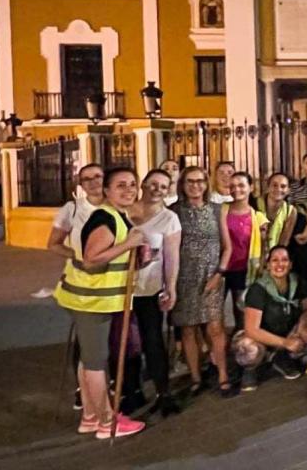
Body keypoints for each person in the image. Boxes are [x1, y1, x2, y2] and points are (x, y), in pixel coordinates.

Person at [54, 167, 146, 439]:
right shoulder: (106, 219)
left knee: (88, 359)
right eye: (121, 185)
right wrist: (129, 244)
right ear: (106, 190)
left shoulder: (115, 216)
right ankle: (108, 422)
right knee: (96, 363)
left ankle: (90, 417)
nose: (129, 189)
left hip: (88, 298)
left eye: (132, 184)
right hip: (92, 301)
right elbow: (92, 259)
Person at [170, 166, 235, 397]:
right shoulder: (174, 212)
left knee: (215, 326)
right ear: (182, 184)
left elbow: (227, 247)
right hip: (183, 277)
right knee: (188, 329)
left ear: (206, 184)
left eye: (199, 181)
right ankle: (196, 377)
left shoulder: (218, 210)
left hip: (211, 275)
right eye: (190, 181)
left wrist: (219, 273)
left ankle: (223, 375)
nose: (195, 186)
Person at [47, 163, 104, 408]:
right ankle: (84, 389)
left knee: (108, 339)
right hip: (83, 283)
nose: (93, 182)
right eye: (87, 179)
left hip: (113, 283)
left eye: (98, 177)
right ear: (80, 185)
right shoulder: (72, 209)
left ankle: (109, 386)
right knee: (85, 338)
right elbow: (54, 243)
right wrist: (79, 257)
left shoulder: (118, 207)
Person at [127, 169, 182, 416]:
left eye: (163, 186)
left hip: (149, 289)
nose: (157, 190)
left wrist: (170, 287)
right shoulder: (124, 211)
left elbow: (172, 256)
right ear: (143, 184)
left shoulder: (169, 219)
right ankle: (130, 390)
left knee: (153, 341)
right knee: (127, 343)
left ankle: (163, 392)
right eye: (153, 184)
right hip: (121, 289)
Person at [234, 246, 307, 391]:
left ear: (290, 264)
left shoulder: (299, 283)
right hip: (264, 338)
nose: (279, 264)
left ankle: (282, 358)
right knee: (247, 347)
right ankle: (250, 369)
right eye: (275, 260)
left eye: (284, 260)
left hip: (290, 332)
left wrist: (302, 326)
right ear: (268, 265)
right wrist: (285, 342)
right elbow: (251, 330)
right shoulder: (258, 290)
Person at [218, 172, 270, 331]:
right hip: (220, 268)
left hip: (244, 270)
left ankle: (241, 345)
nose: (236, 189)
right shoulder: (221, 210)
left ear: (251, 188)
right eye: (232, 186)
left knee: (241, 310)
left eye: (241, 185)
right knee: (214, 313)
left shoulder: (258, 217)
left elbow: (264, 247)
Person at [257, 172, 298, 250]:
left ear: (288, 190)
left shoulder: (290, 211)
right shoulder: (255, 204)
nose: (278, 189)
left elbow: (284, 241)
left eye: (283, 186)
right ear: (268, 187)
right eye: (274, 185)